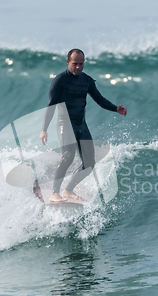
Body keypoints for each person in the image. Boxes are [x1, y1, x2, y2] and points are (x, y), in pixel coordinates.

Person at [40, 49, 127, 203]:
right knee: (68, 157)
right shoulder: (59, 80)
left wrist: (115, 108)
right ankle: (54, 193)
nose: (79, 67)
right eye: (75, 64)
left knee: (89, 163)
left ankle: (68, 190)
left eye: (81, 63)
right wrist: (44, 129)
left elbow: (99, 99)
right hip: (64, 124)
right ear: (68, 62)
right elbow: (51, 105)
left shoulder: (86, 80)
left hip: (81, 125)